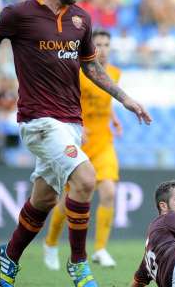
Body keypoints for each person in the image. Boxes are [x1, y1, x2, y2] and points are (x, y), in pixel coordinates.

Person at [0, 0, 152, 286]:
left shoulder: (81, 19)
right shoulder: (20, 13)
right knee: (85, 178)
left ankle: (10, 257)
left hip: (71, 123)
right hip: (39, 121)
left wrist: (125, 99)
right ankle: (78, 263)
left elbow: (92, 66)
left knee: (44, 199)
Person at [43, 29, 122, 269]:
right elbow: (65, 99)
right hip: (79, 142)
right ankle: (51, 242)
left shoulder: (115, 73)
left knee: (109, 191)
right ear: (90, 47)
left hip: (104, 141)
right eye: (98, 44)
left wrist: (114, 117)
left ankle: (100, 249)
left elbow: (105, 99)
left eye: (107, 44)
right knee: (68, 199)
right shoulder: (77, 71)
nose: (103, 49)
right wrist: (76, 124)